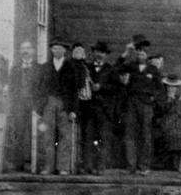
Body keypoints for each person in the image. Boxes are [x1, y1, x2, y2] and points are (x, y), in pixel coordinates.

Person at [36, 38, 79, 175]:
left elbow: (74, 90)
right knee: (47, 135)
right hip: (49, 102)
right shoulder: (45, 67)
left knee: (65, 136)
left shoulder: (71, 67)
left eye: (60, 48)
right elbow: (40, 88)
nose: (57, 51)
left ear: (65, 51)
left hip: (64, 104)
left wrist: (73, 109)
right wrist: (39, 107)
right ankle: (48, 167)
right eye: (55, 48)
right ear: (51, 50)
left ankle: (63, 167)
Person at [121, 43, 159, 175]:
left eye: (143, 53)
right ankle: (131, 166)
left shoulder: (153, 69)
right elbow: (118, 68)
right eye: (138, 53)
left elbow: (159, 88)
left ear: (147, 55)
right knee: (130, 134)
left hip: (146, 104)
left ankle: (144, 166)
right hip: (132, 102)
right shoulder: (130, 67)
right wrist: (127, 52)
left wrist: (153, 99)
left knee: (146, 135)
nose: (140, 55)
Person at [83, 42, 119, 175]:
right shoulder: (87, 68)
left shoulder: (111, 69)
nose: (99, 55)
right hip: (90, 109)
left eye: (102, 52)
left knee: (104, 139)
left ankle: (101, 166)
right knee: (88, 137)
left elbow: (116, 88)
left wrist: (101, 87)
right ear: (94, 53)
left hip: (104, 110)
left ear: (106, 55)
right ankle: (88, 166)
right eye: (97, 52)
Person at [6, 40, 38, 173]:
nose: (25, 51)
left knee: (33, 133)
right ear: (20, 51)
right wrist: (12, 102)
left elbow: (41, 88)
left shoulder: (38, 68)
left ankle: (31, 162)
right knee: (18, 132)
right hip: (19, 104)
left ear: (33, 51)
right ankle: (17, 163)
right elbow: (11, 87)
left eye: (28, 48)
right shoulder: (15, 68)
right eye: (23, 48)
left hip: (33, 104)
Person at [157, 74, 181, 171]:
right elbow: (160, 111)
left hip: (178, 129)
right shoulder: (161, 99)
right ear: (166, 87)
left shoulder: (180, 101)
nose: (172, 89)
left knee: (178, 137)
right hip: (164, 127)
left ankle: (176, 165)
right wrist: (169, 100)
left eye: (174, 87)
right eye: (170, 86)